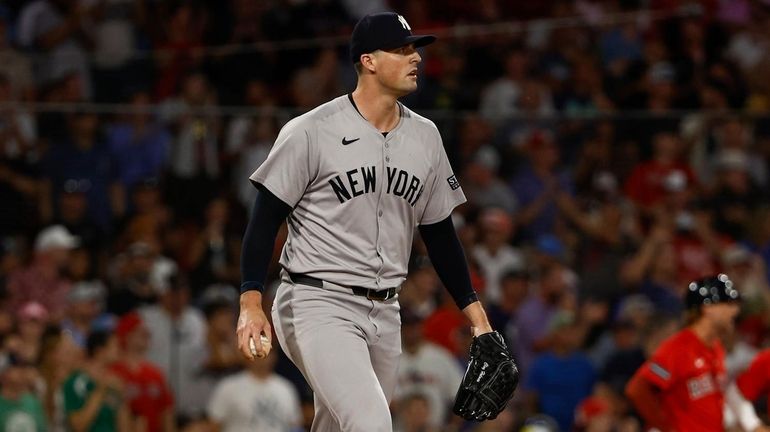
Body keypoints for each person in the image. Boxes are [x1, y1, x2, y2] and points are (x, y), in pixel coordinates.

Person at [236, 12, 512, 431]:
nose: (415, 57)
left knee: (341, 423)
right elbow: (264, 220)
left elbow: (439, 235)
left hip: (386, 311)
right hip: (316, 301)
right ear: (368, 60)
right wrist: (250, 302)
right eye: (402, 49)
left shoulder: (426, 137)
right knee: (371, 424)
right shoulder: (311, 131)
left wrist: (479, 321)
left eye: (415, 48)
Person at [624, 274, 766, 432]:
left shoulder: (715, 347)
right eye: (728, 303)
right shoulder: (677, 349)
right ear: (708, 308)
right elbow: (638, 388)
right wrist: (667, 426)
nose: (735, 310)